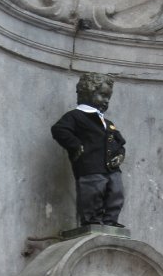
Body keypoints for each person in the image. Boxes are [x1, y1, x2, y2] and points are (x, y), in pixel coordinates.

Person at [51, 72, 126, 227]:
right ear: (88, 92)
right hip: (90, 167)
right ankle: (92, 222)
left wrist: (120, 154)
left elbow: (119, 142)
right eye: (103, 95)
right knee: (92, 193)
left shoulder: (107, 122)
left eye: (108, 98)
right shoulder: (76, 116)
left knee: (116, 193)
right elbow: (59, 130)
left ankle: (111, 221)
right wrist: (76, 145)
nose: (106, 101)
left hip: (111, 168)